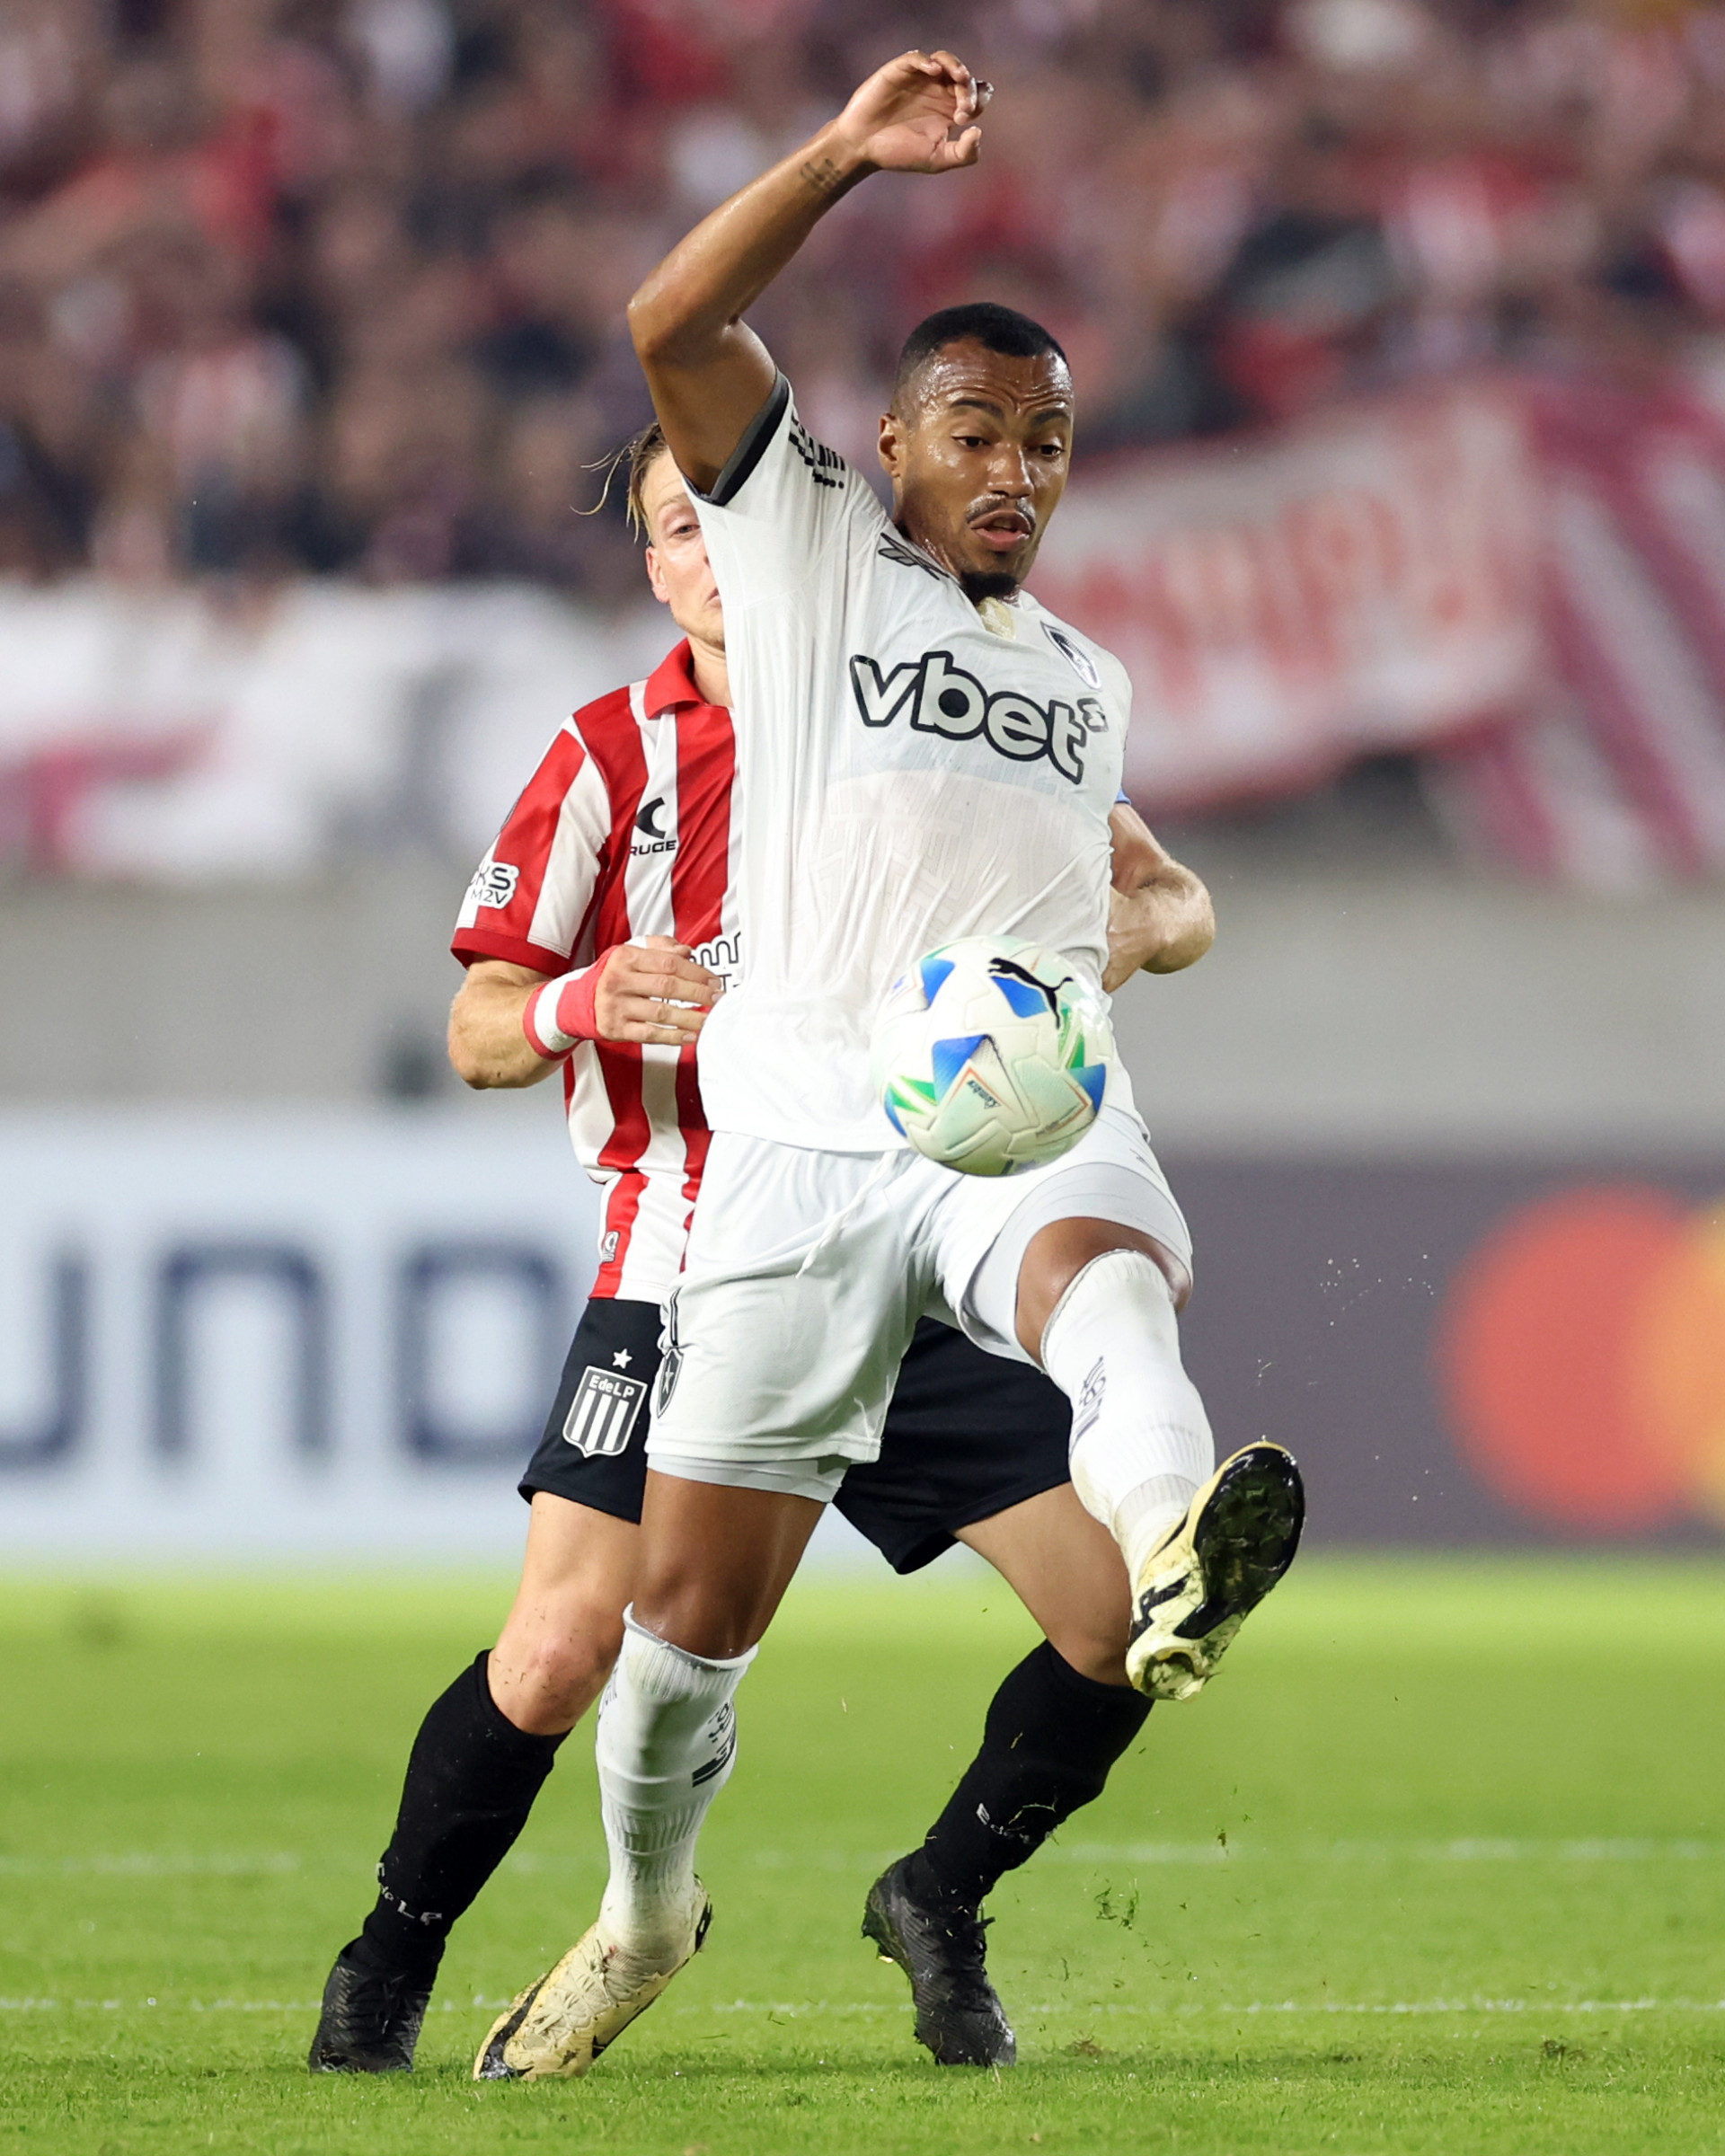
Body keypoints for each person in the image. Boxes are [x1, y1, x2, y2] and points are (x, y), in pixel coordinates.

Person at [481, 48, 1305, 2084]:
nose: (1015, 468)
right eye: (974, 431)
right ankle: (647, 1906)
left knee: (1104, 1253)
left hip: (1003, 1110)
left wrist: (1138, 939)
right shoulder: (808, 542)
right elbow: (672, 322)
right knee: (683, 1631)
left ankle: (1170, 1520)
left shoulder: (1083, 681)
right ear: (888, 445)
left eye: (1048, 439)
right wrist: (847, 156)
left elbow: (1154, 893)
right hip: (790, 1139)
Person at [307, 417, 1222, 2079]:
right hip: (691, 1248)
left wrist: (1084, 974)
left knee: (1122, 1624)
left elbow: (1164, 895)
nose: (712, 557)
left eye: (723, 522)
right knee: (566, 1646)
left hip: (922, 1220)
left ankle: (940, 1894)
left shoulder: (929, 705)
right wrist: (590, 995)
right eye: (672, 533)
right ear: (653, 566)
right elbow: (479, 1027)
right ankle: (392, 1961)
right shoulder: (608, 758)